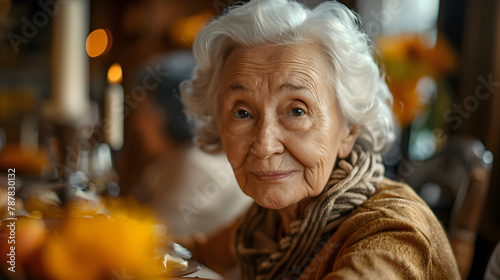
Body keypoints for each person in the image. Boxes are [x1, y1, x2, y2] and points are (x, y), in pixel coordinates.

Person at [180, 0, 461, 279]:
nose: (265, 146)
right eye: (242, 112)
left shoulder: (393, 231)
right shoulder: (268, 221)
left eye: (297, 111)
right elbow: (194, 255)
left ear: (350, 129)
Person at [127, 51, 252, 235]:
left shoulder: (197, 165)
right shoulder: (167, 162)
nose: (137, 124)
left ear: (175, 111)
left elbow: (153, 238)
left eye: (146, 113)